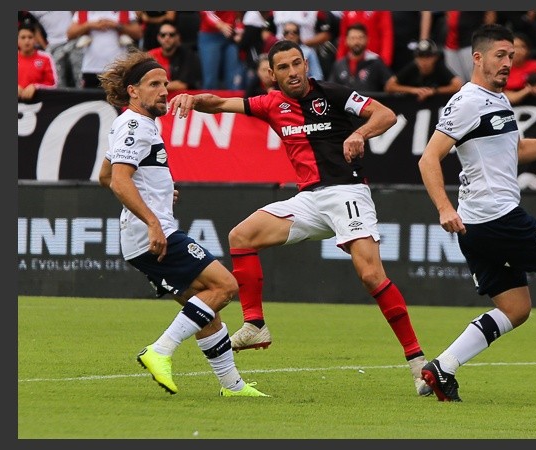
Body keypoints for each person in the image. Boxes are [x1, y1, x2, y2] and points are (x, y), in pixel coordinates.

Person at [167, 39, 433, 397]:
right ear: (272, 74)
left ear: (306, 65)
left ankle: (417, 362)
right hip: (308, 199)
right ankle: (255, 324)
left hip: (346, 193)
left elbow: (385, 114)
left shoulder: (334, 94)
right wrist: (193, 99)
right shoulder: (271, 103)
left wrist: (359, 132)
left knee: (371, 275)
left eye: (297, 63)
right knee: (241, 236)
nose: (293, 72)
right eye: (284, 67)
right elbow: (220, 103)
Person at [417, 23, 536, 402]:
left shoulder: (498, 100)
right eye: (500, 55)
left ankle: (442, 368)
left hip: (478, 225)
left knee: (515, 307)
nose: (508, 62)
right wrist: (443, 207)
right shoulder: (468, 101)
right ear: (478, 58)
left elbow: (518, 151)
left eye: (511, 56)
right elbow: (429, 158)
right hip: (497, 217)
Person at [96, 49, 267, 397]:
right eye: (154, 84)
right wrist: (153, 221)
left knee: (204, 307)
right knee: (225, 286)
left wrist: (156, 195)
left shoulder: (138, 124)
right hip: (152, 234)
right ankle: (160, 351)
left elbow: (105, 174)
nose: (164, 91)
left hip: (143, 233)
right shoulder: (134, 124)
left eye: (166, 84)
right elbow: (117, 181)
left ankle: (233, 386)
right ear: (133, 90)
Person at [66, 11, 142, 89]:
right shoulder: (84, 12)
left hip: (118, 70)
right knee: (91, 100)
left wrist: (116, 26)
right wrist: (89, 25)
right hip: (91, 69)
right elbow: (69, 34)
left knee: (117, 99)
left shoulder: (125, 11)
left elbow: (138, 33)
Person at [384, 38, 463, 102]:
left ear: (435, 57)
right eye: (421, 57)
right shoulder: (413, 66)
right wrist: (413, 90)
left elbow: (457, 84)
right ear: (416, 58)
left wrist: (434, 91)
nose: (424, 61)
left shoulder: (439, 67)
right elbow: (389, 85)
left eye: (428, 57)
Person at [328, 23, 393, 93]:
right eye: (353, 38)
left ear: (367, 40)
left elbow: (391, 85)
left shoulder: (376, 62)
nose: (356, 42)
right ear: (346, 41)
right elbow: (331, 89)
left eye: (360, 38)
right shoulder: (339, 64)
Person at [147, 21, 202, 92]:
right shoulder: (151, 55)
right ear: (158, 37)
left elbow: (182, 85)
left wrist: (155, 86)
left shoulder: (187, 55)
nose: (167, 38)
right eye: (163, 35)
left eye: (171, 35)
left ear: (177, 37)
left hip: (179, 98)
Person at [18, 22, 57, 100]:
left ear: (35, 40)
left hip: (38, 105)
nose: (26, 41)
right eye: (23, 37)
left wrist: (36, 87)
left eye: (30, 37)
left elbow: (53, 85)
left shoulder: (46, 57)